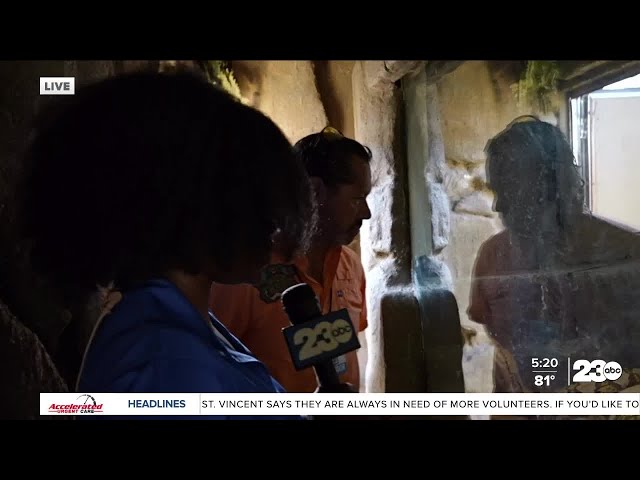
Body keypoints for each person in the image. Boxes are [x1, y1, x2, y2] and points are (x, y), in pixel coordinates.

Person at [18, 71, 315, 419]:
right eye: (253, 199)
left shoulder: (184, 323)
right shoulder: (161, 369)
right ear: (186, 207)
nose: (272, 224)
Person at [469, 115, 640, 393]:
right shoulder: (493, 256)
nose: (499, 206)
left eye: (510, 189)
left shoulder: (627, 254)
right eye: (496, 190)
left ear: (552, 185)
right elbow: (503, 356)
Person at [209, 126, 372, 393]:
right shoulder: (245, 274)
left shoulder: (351, 266)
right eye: (357, 199)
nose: (366, 213)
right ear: (315, 191)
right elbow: (211, 372)